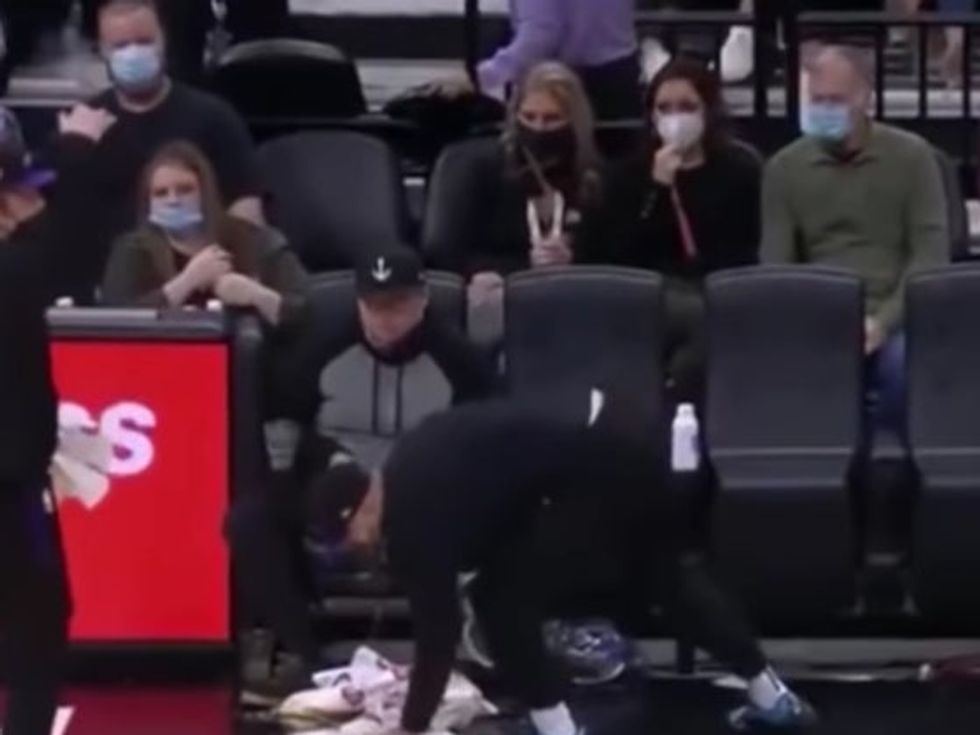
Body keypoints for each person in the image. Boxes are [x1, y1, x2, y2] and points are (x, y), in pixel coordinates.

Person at [307, 391, 819, 734]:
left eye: (350, 536)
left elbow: (437, 641)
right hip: (624, 438)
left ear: (365, 506)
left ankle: (558, 728)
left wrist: (411, 729)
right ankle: (773, 700)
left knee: (498, 599)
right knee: (665, 582)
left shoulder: (417, 517)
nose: (353, 550)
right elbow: (507, 500)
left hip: (600, 469)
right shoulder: (411, 465)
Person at [226, 247, 495, 705]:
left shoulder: (459, 359)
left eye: (399, 306)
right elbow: (285, 422)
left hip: (422, 492)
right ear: (358, 302)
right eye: (375, 306)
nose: (386, 319)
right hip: (336, 481)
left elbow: (485, 438)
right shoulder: (324, 347)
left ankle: (461, 651)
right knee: (249, 520)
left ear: (423, 300)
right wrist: (309, 470)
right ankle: (311, 661)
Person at [0, 103, 116, 735]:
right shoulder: (15, 271)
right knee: (39, 633)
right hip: (10, 491)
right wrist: (73, 150)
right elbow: (72, 250)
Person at [761, 44, 948, 433]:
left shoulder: (913, 157)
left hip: (897, 314)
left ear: (865, 98)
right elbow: (776, 267)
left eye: (837, 99)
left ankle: (884, 466)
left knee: (904, 368)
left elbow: (930, 256)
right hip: (818, 312)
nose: (825, 108)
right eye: (818, 100)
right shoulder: (784, 168)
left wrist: (881, 323)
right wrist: (821, 319)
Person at [65, 0, 263, 300]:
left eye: (144, 41)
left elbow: (247, 218)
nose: (133, 53)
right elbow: (59, 232)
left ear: (164, 40)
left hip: (204, 292)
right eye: (120, 45)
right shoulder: (82, 126)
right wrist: (72, 152)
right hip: (110, 299)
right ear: (102, 51)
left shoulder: (214, 118)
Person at [600, 57, 760, 403]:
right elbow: (617, 253)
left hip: (717, 290)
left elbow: (746, 248)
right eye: (664, 108)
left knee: (709, 323)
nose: (675, 118)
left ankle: (679, 402)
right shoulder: (626, 176)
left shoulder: (739, 172)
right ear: (652, 115)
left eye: (687, 107)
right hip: (647, 295)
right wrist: (658, 188)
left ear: (708, 111)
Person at [100, 140, 306, 329]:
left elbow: (306, 312)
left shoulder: (255, 239)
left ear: (205, 193)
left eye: (185, 189)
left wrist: (257, 295)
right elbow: (115, 320)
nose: (173, 201)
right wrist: (186, 283)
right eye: (161, 193)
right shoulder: (132, 249)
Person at [460, 62, 606, 307]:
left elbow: (613, 257)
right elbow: (453, 251)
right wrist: (520, 267)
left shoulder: (596, 179)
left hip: (578, 299)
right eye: (529, 117)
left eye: (552, 119)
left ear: (574, 121)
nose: (538, 128)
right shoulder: (486, 170)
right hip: (501, 297)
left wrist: (574, 259)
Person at [437, 0, 642, 120]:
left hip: (562, 90)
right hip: (620, 76)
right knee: (615, 180)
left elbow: (542, 35)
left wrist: (481, 78)